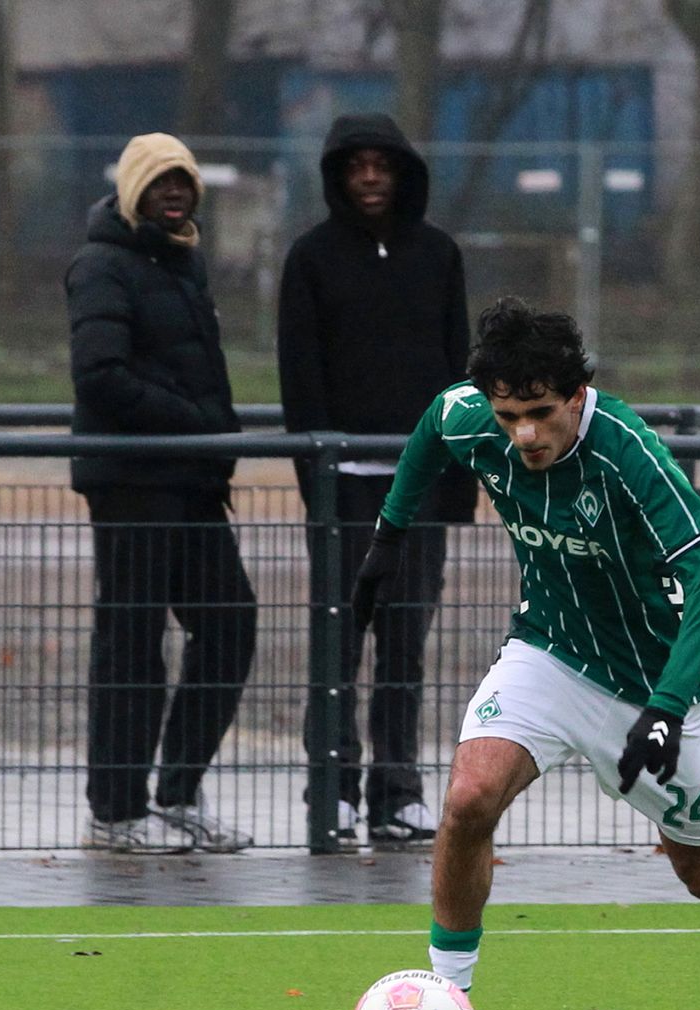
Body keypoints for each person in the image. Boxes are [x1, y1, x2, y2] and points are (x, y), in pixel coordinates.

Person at [351, 298, 700, 1010]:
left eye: (541, 413)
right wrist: (390, 535)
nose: (523, 432)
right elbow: (431, 425)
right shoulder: (473, 417)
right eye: (509, 413)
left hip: (653, 686)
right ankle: (445, 999)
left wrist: (663, 707)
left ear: (577, 396)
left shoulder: (628, 453)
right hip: (549, 653)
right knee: (466, 800)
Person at [279, 112, 475, 846]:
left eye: (381, 165)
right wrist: (317, 485)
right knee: (338, 640)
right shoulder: (309, 259)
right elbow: (300, 378)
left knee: (405, 643)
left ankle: (397, 793)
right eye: (355, 165)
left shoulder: (439, 256)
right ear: (337, 175)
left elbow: (460, 372)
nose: (369, 177)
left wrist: (456, 483)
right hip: (345, 489)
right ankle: (330, 790)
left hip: (418, 488)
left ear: (401, 173)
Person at [66, 132, 255, 855]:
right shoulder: (101, 265)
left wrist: (210, 438)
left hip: (193, 481)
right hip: (134, 482)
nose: (173, 193)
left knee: (230, 620)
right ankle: (116, 807)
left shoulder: (183, 264)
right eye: (159, 183)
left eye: (184, 182)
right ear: (132, 191)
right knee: (132, 643)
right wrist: (196, 423)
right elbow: (101, 373)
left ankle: (177, 792)